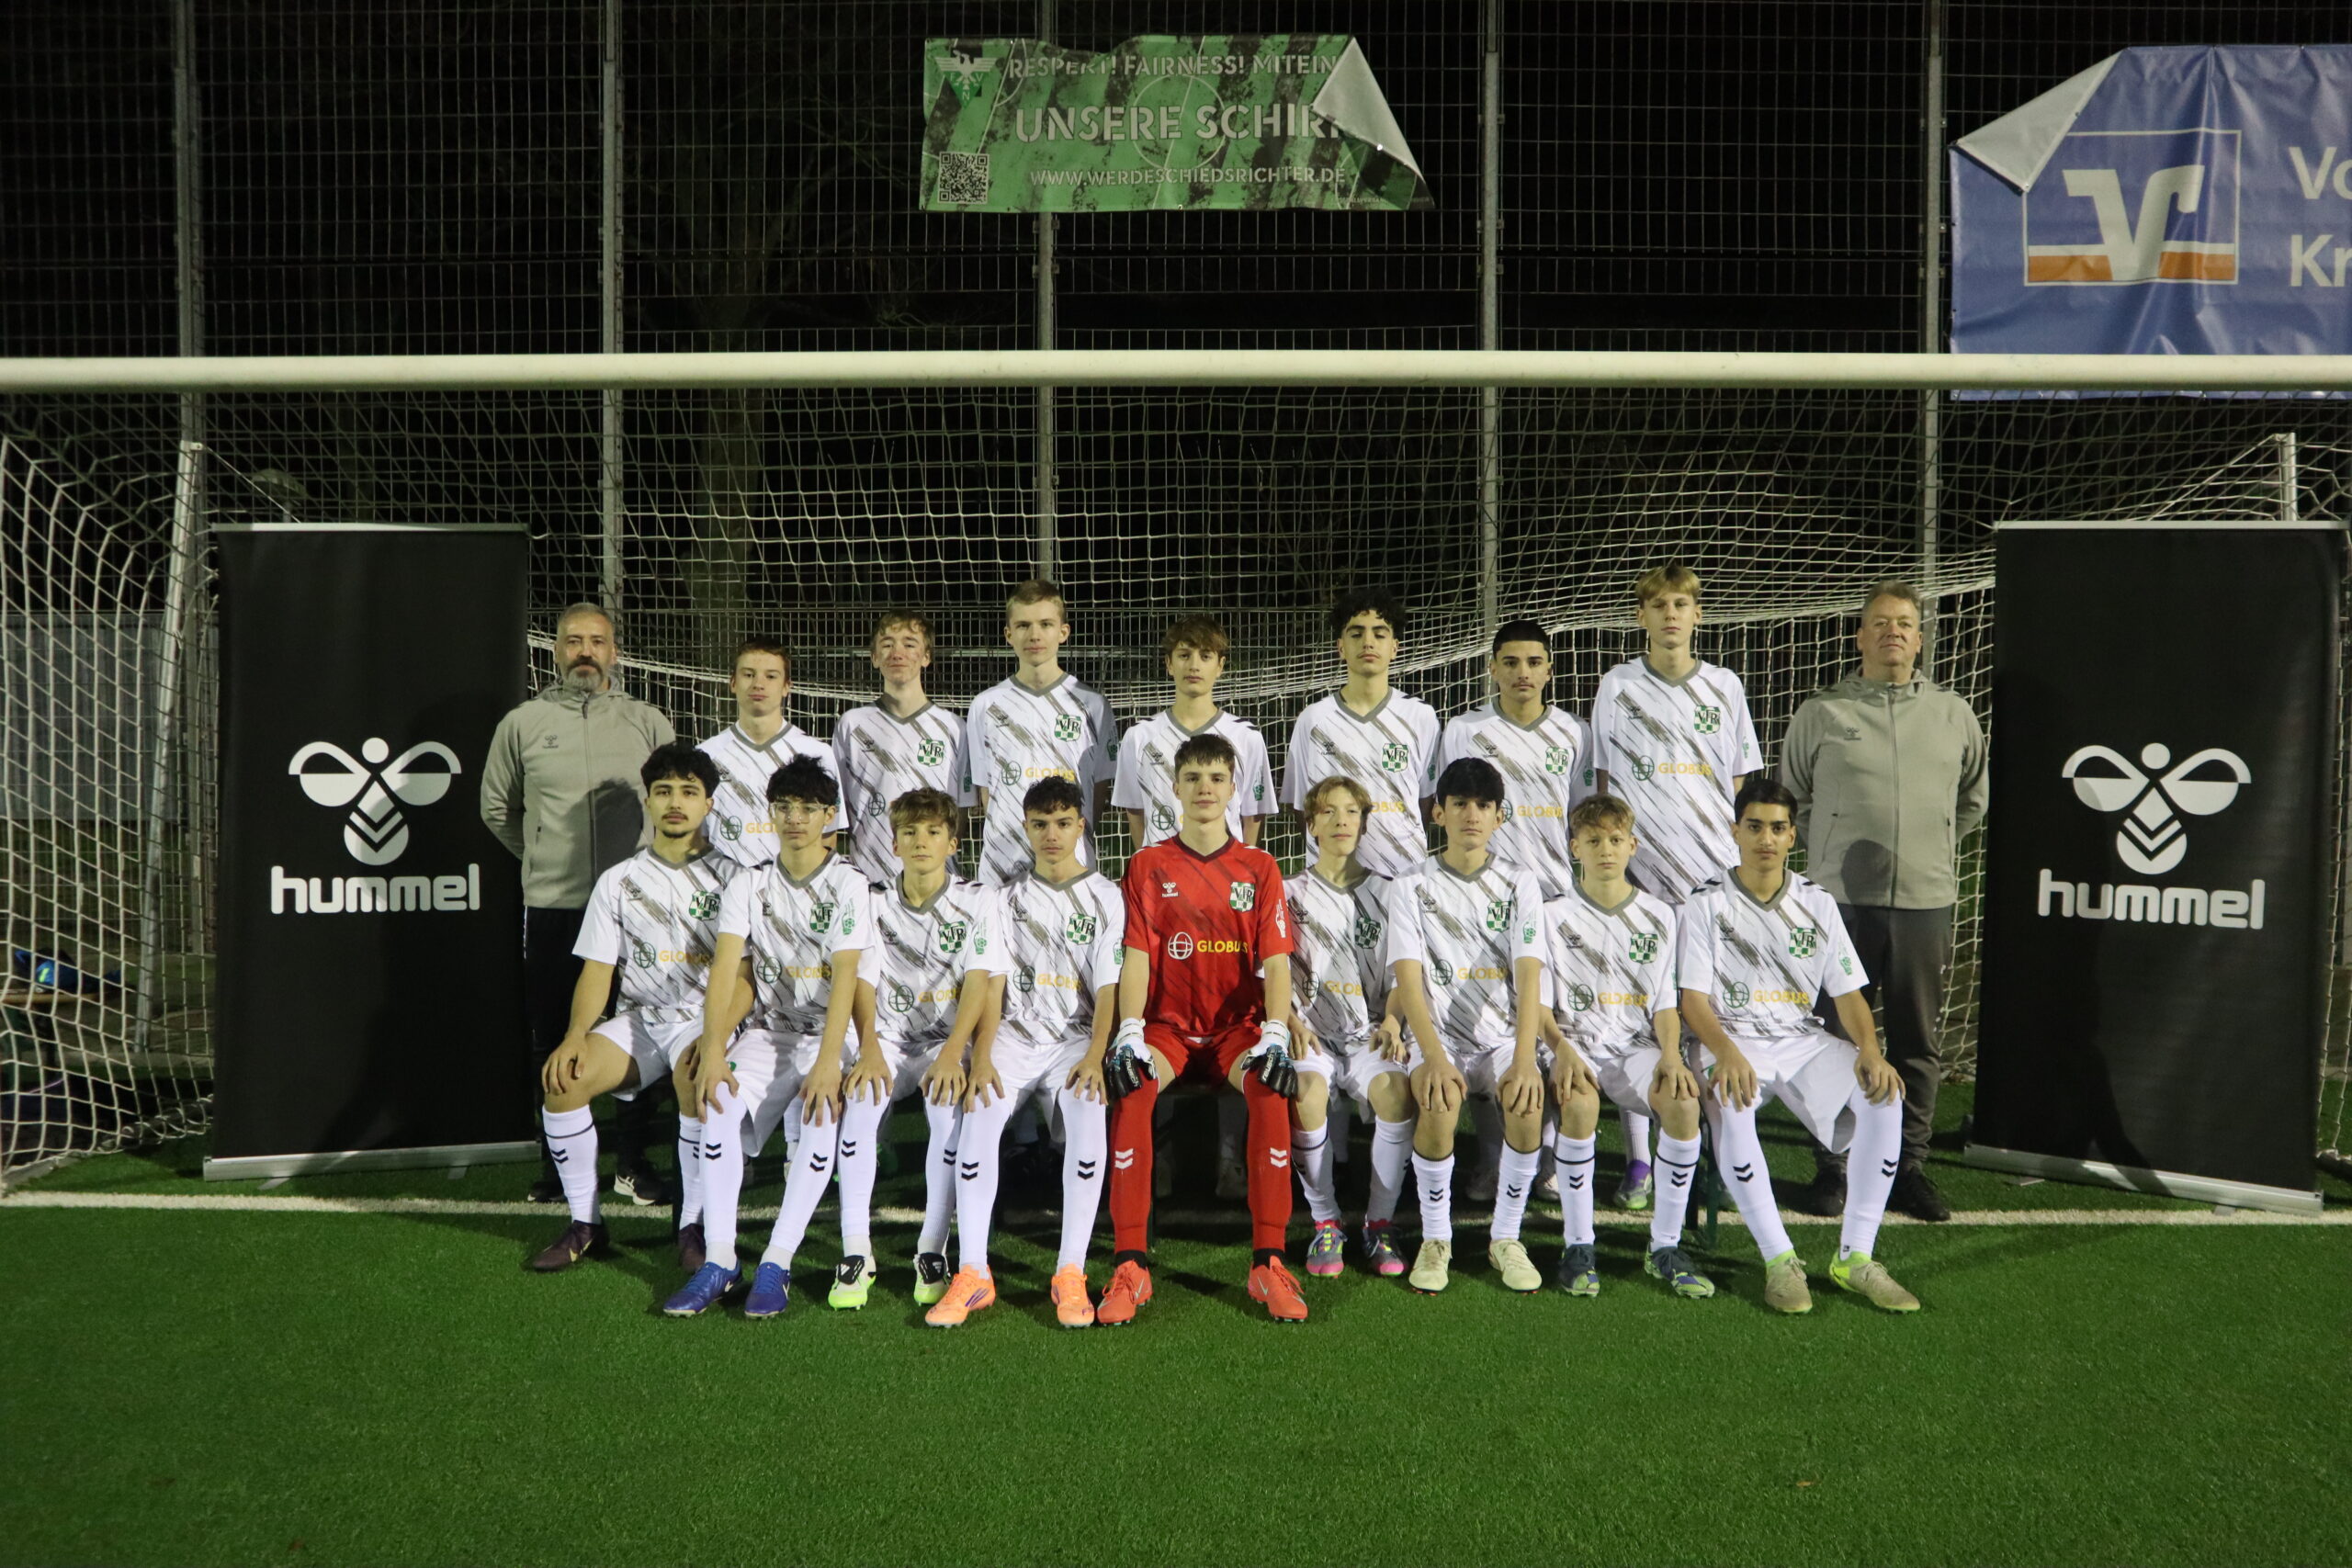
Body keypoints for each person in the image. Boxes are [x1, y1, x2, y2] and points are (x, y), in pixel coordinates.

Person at [1780, 581, 1987, 1224]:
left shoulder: (1953, 713)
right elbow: (1793, 798)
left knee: (1917, 1039)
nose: (1892, 631)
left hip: (1925, 900)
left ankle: (1907, 1166)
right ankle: (1833, 1165)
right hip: (1841, 905)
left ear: (1919, 639)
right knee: (1835, 1036)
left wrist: (1930, 848)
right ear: (1860, 637)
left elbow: (1973, 797)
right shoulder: (1822, 712)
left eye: (1903, 623)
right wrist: (1832, 853)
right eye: (1880, 622)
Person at [1677, 776, 1920, 1314]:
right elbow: (1691, 1001)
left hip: (1801, 1038)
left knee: (1884, 1096)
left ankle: (1856, 1258)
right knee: (1732, 1100)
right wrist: (1726, 1051)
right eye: (1755, 827)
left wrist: (1870, 1050)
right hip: (1730, 1038)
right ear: (1735, 831)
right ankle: (1779, 1260)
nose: (1766, 838)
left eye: (1778, 828)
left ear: (1792, 836)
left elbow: (1848, 995)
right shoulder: (1705, 903)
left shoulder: (1818, 903)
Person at [1101, 734, 1307, 1325]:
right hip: (1166, 1029)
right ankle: (1130, 1265)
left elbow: (1276, 962)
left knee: (1270, 1089)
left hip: (1235, 1030)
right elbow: (1136, 957)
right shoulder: (1147, 865)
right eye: (1193, 778)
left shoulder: (1259, 867)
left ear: (1233, 788)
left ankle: (1269, 1263)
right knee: (1133, 1088)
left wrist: (1275, 1032)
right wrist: (1130, 1029)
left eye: (1216, 778)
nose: (1205, 789)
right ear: (1175, 787)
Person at [481, 602, 677, 1207]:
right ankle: (557, 1165)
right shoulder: (523, 724)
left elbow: (675, 805)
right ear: (557, 651)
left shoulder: (647, 721)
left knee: (639, 1030)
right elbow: (496, 808)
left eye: (596, 641)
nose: (585, 651)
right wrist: (544, 859)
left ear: (614, 652)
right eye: (573, 641)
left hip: (637, 912)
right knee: (553, 1032)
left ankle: (633, 1161)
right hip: (555, 906)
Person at [662, 756, 869, 1319]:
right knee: (716, 1102)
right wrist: (713, 1048)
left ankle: (777, 1261)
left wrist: (829, 1060)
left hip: (831, 1033)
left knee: (822, 1112)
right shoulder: (750, 882)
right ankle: (720, 1259)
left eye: (807, 808)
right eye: (784, 807)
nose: (795, 818)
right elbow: (727, 970)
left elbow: (847, 977)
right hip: (769, 1031)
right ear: (770, 813)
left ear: (829, 817)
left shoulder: (849, 882)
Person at [526, 743, 746, 1274]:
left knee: (697, 1077)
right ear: (648, 801)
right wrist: (576, 1035)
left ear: (709, 805)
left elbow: (746, 978)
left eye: (689, 792)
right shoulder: (618, 880)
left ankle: (692, 1228)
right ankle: (586, 1224)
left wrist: (715, 1036)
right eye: (663, 791)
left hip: (706, 1021)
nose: (676, 802)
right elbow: (597, 970)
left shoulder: (737, 879)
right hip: (644, 1021)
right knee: (563, 1080)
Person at [1589, 562, 1760, 1213]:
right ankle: (1640, 1161)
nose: (1670, 615)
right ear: (1641, 616)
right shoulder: (1617, 686)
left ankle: (1711, 1151)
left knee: (1710, 1015)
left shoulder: (1725, 686)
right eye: (1658, 605)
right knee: (1641, 1016)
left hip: (1712, 882)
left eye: (1681, 604)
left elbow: (1739, 784)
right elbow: (1604, 784)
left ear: (1697, 614)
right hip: (1640, 880)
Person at [926, 777, 1124, 1329]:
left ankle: (1070, 1272)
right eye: (1040, 825)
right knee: (978, 1115)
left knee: (1088, 1116)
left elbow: (1110, 988)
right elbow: (990, 983)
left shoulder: (1107, 897)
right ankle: (973, 1272)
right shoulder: (1002, 898)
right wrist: (983, 1054)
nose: (1051, 835)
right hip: (1012, 1037)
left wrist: (1097, 1054)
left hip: (1075, 1040)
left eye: (1062, 824)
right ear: (1026, 828)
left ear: (1081, 826)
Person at [1111, 611, 1276, 1198]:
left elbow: (1251, 826)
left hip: (1226, 903)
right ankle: (1158, 1156)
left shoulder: (1247, 739)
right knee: (1160, 1027)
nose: (1194, 665)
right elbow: (1136, 822)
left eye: (1205, 655)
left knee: (1235, 1015)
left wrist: (1228, 889)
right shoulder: (1139, 738)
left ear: (1221, 665)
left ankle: (1231, 1156)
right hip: (1164, 903)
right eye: (1183, 654)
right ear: (1169, 663)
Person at [1437, 617, 1591, 1206]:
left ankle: (1545, 1158)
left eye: (1533, 662)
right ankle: (1490, 1158)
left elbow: (1581, 814)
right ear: (1493, 669)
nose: (1522, 672)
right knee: (1483, 1025)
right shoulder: (1464, 730)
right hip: (1479, 897)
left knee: (1548, 1031)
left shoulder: (1574, 732)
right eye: (1510, 662)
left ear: (1549, 669)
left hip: (1551, 902)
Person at [1382, 758, 1549, 1295]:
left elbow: (1529, 973)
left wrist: (1525, 1058)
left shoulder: (1521, 883)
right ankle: (1436, 1239)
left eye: (1483, 805)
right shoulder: (1410, 885)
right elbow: (1408, 979)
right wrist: (1432, 1056)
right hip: (1439, 1038)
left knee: (1527, 1102)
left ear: (1500, 816)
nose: (1471, 815)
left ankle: (1506, 1237)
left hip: (1502, 1038)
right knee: (1437, 1102)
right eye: (1460, 804)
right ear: (1439, 813)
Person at [1536, 795, 1713, 1300]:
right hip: (1573, 1045)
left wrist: (1672, 1056)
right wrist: (1562, 1050)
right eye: (1593, 840)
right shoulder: (1551, 915)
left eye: (1615, 840)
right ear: (1575, 848)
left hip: (1636, 1047)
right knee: (1579, 1104)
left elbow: (1665, 1005)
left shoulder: (1660, 915)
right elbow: (1540, 1009)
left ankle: (1664, 1247)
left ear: (1633, 845)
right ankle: (1578, 1247)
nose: (1606, 850)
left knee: (1683, 1103)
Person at [831, 787, 997, 1311]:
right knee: (859, 1106)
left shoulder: (979, 900)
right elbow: (862, 981)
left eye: (932, 832)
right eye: (909, 832)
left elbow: (980, 982)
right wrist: (869, 1047)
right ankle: (856, 1250)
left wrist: (953, 1052)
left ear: (953, 843)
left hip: (944, 1044)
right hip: (886, 1042)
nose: (921, 841)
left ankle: (932, 1248)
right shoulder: (871, 901)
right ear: (894, 843)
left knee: (946, 1111)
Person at [1283, 773, 1418, 1278]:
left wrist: (1393, 1021)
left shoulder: (1390, 893)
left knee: (1397, 1095)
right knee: (1306, 1094)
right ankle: (1326, 1222)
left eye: (1352, 812)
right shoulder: (1287, 891)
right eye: (1329, 812)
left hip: (1367, 1034)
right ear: (1312, 825)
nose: (1341, 821)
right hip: (1310, 1034)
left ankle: (1379, 1223)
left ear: (1363, 823)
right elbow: (1270, 973)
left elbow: (1404, 974)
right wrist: (1290, 1021)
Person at [961, 579, 1116, 886]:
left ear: (1063, 632)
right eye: (1023, 625)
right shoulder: (986, 705)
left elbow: (1098, 790)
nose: (1034, 635)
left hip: (1072, 864)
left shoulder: (1092, 705)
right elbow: (986, 790)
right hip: (1002, 867)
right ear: (1008, 634)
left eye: (1045, 624)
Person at [1283, 589, 1441, 880]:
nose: (1368, 642)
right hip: (1333, 882)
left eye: (1379, 634)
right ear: (1341, 646)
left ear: (1394, 647)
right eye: (1356, 634)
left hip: (1403, 878)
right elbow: (1301, 807)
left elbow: (1426, 800)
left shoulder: (1421, 716)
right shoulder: (1314, 719)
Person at [832, 610, 966, 878]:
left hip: (936, 881)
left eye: (909, 644)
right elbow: (835, 808)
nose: (897, 653)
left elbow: (961, 810)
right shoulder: (852, 724)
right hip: (869, 878)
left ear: (926, 657)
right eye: (887, 644)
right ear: (874, 657)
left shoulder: (952, 727)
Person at [699, 635, 845, 869]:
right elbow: (698, 837)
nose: (758, 684)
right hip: (724, 886)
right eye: (749, 675)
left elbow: (828, 837)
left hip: (792, 888)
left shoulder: (818, 753)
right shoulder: (706, 755)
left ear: (787, 686)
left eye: (771, 676)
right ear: (733, 683)